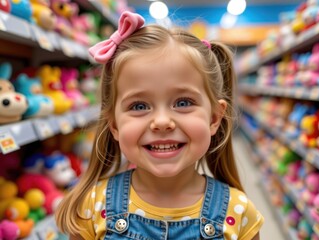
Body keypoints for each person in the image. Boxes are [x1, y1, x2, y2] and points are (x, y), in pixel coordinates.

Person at [55, 11, 264, 240]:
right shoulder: (92, 207)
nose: (162, 122)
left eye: (183, 102)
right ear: (114, 124)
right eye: (139, 106)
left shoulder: (239, 213)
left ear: (214, 118)